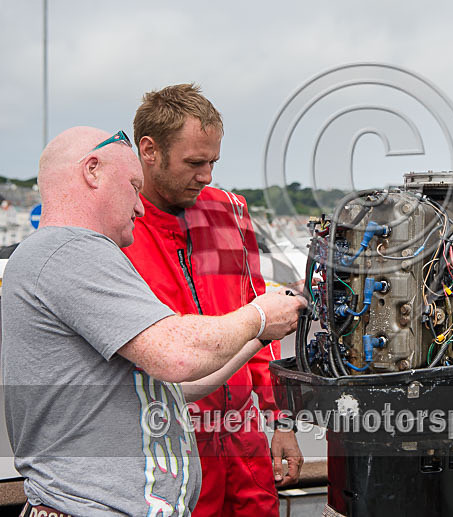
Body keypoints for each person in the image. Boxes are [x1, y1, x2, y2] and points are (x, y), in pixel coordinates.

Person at [1, 126, 306, 517]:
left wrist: (261, 334)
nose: (140, 207)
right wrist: (259, 314)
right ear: (92, 171)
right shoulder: (68, 250)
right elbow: (176, 356)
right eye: (132, 186)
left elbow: (180, 383)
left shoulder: (77, 255)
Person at [121, 83, 303, 517]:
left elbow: (260, 317)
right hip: (169, 445)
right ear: (149, 150)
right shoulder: (119, 226)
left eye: (213, 162)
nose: (206, 176)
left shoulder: (229, 211)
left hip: (243, 439)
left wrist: (281, 421)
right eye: (194, 163)